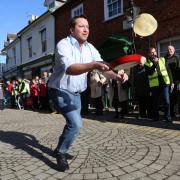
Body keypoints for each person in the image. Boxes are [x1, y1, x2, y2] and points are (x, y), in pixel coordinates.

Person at [48, 15, 128, 171]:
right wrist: (93, 65)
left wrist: (117, 76)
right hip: (59, 90)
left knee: (73, 125)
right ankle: (61, 153)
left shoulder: (90, 48)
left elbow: (103, 67)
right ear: (72, 29)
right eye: (81, 26)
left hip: (77, 93)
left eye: (88, 26)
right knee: (76, 124)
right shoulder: (63, 45)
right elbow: (70, 69)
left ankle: (59, 148)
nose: (86, 30)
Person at [144, 47, 173, 122]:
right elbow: (149, 73)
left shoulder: (162, 59)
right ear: (149, 54)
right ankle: (156, 117)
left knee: (166, 101)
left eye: (155, 52)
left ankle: (167, 117)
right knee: (155, 102)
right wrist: (154, 64)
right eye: (152, 52)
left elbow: (168, 70)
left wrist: (171, 81)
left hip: (164, 83)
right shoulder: (147, 63)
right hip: (154, 85)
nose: (154, 53)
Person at [165, 45, 180, 118]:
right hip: (167, 81)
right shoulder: (165, 58)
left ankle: (175, 112)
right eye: (168, 49)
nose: (169, 51)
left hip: (176, 81)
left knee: (176, 96)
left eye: (171, 49)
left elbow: (179, 69)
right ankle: (171, 112)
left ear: (174, 50)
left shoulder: (177, 57)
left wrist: (177, 80)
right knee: (169, 97)